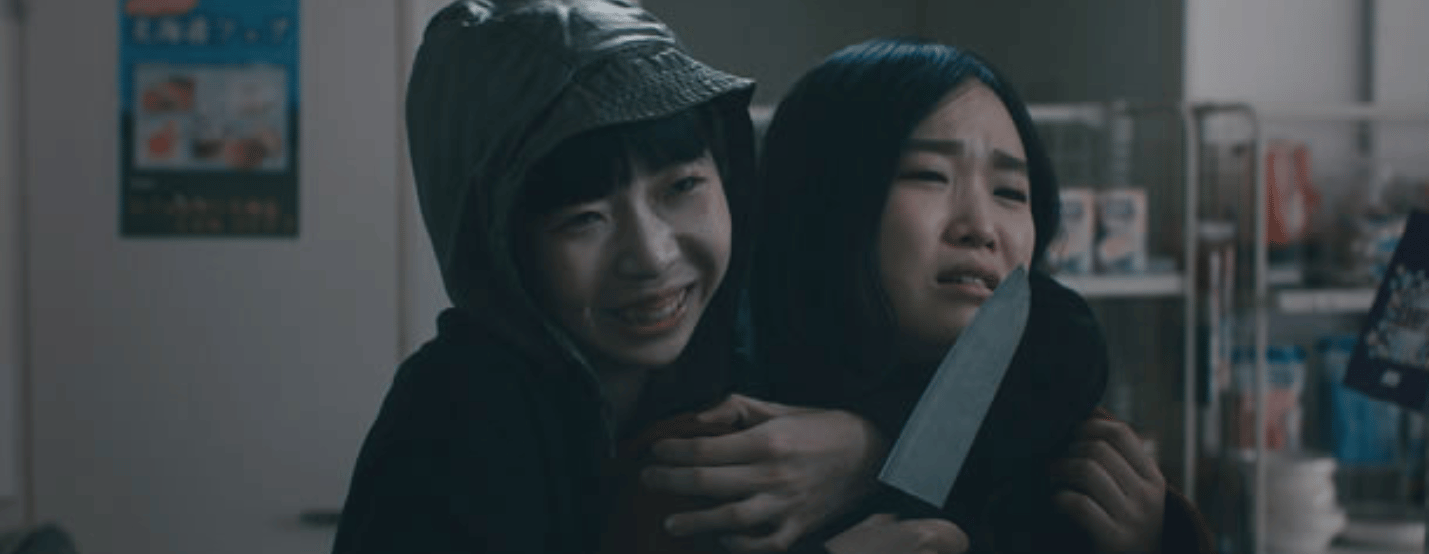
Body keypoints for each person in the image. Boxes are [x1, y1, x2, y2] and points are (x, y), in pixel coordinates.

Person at [331, 3, 962, 553]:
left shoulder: (769, 329)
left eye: (682, 185)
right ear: (499, 247)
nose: (654, 256)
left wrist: (870, 446)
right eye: (585, 218)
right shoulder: (452, 419)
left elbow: (1006, 392)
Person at [642, 37, 1215, 553]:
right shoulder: (717, 440)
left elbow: (1061, 325)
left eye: (1011, 191)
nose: (980, 227)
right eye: (928, 176)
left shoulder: (1063, 434)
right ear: (822, 200)